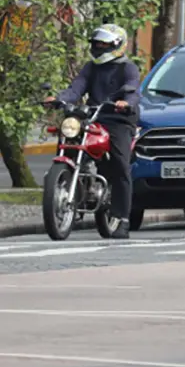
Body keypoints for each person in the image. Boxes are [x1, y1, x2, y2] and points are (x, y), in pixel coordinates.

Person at [44, 24, 140, 239]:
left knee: (120, 165)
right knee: (69, 142)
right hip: (93, 116)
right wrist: (59, 99)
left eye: (104, 44)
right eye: (97, 44)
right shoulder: (91, 67)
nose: (99, 47)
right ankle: (69, 185)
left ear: (117, 45)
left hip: (119, 119)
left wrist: (126, 103)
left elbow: (133, 90)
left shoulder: (128, 68)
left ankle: (123, 219)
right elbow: (76, 88)